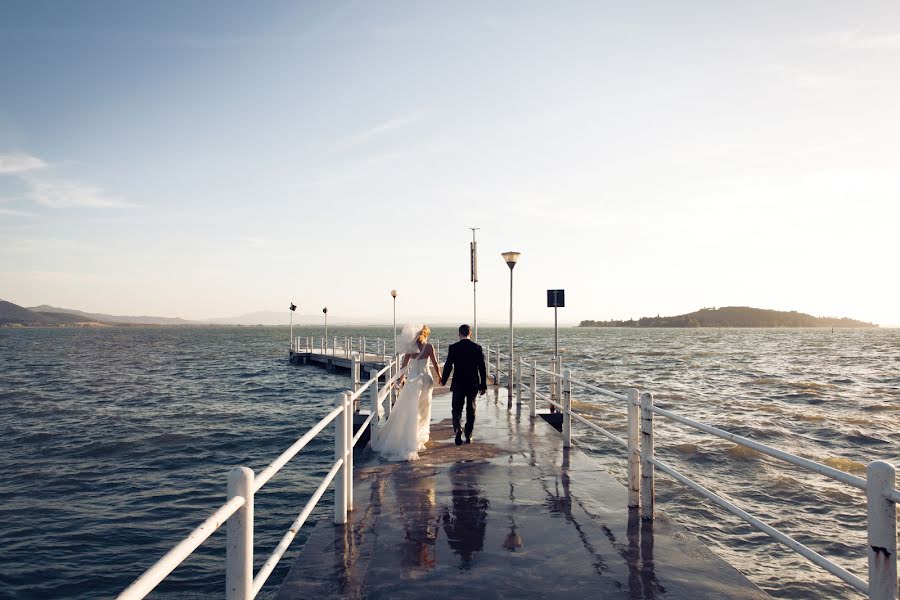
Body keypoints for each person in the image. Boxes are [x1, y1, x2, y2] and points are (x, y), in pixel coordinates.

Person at [372, 325, 440, 461]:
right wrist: (441, 377)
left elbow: (403, 367)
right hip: (426, 380)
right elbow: (435, 364)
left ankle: (411, 437)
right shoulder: (429, 347)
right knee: (424, 409)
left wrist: (400, 380)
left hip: (414, 382)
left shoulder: (410, 349)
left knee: (411, 410)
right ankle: (419, 435)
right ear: (425, 334)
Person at [440, 324, 487, 446]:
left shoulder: (453, 348)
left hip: (458, 383)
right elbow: (482, 367)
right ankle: (468, 433)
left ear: (459, 334)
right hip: (472, 383)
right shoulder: (477, 348)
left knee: (456, 408)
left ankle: (457, 429)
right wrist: (483, 385)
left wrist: (443, 380)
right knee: (471, 408)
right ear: (470, 334)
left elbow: (448, 365)